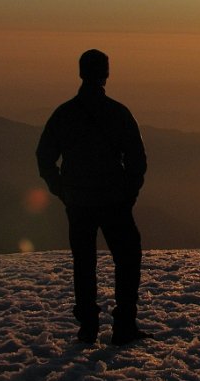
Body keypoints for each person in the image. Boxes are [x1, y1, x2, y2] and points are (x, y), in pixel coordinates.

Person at [36, 49, 151, 346]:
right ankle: (124, 325)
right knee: (127, 258)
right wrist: (128, 194)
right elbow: (137, 160)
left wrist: (62, 190)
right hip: (114, 202)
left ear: (80, 73)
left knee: (83, 263)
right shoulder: (117, 112)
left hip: (79, 203)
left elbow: (45, 157)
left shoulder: (65, 113)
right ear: (106, 74)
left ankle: (88, 328)